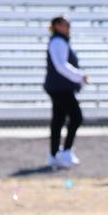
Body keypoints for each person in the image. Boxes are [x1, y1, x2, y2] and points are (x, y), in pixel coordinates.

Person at [43, 15, 88, 169]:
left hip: (59, 86)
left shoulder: (60, 41)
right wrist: (80, 76)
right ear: (57, 26)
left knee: (58, 119)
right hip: (60, 87)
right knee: (76, 116)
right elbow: (61, 66)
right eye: (65, 24)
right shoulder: (58, 42)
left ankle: (54, 153)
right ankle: (65, 150)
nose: (68, 27)